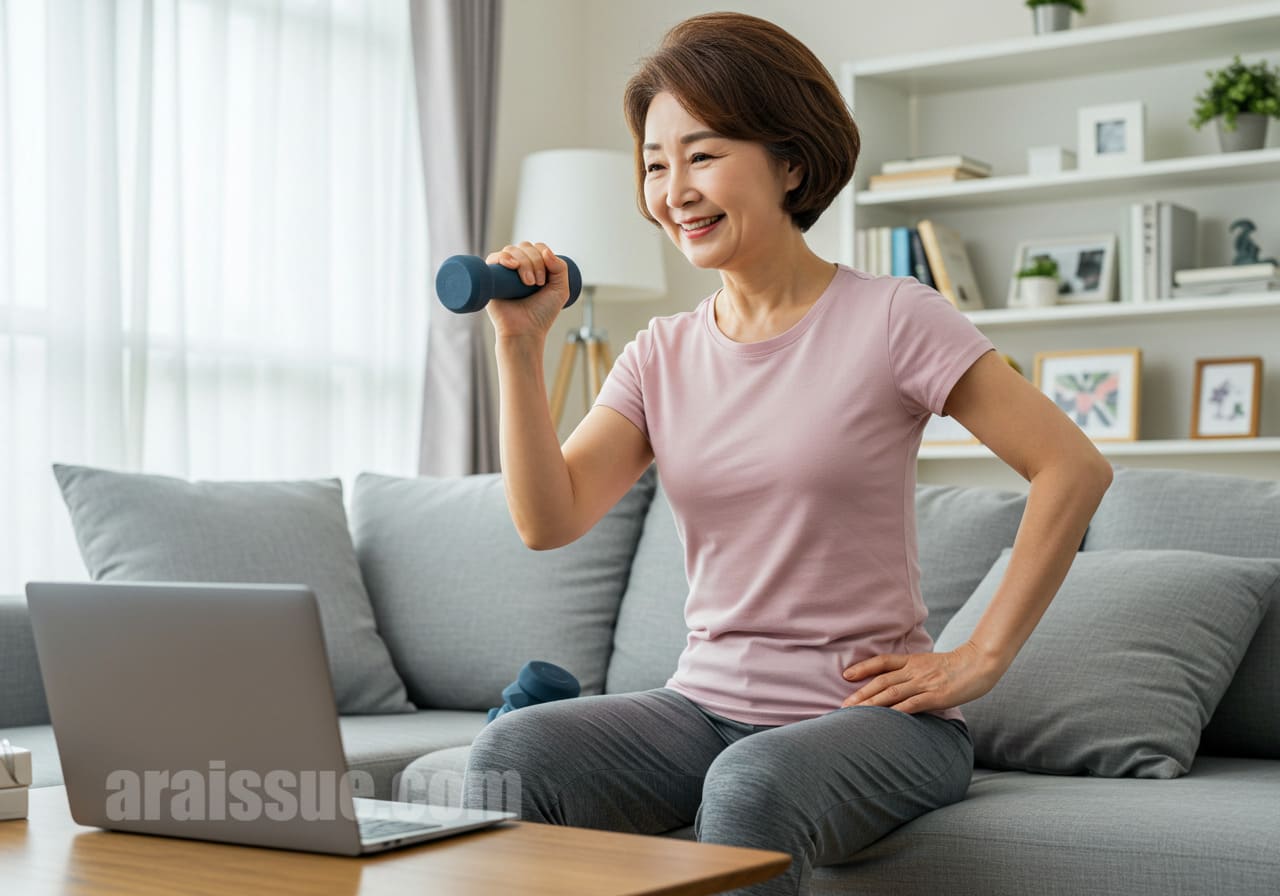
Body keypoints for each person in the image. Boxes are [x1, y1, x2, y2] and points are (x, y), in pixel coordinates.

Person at [462, 12, 1112, 895]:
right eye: (656, 164)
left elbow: (1072, 466)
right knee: (514, 750)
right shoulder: (661, 352)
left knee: (752, 781)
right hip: (703, 706)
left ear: (791, 163)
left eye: (703, 154)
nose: (674, 189)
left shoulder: (892, 316)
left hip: (873, 721)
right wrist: (519, 346)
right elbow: (548, 519)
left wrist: (978, 657)